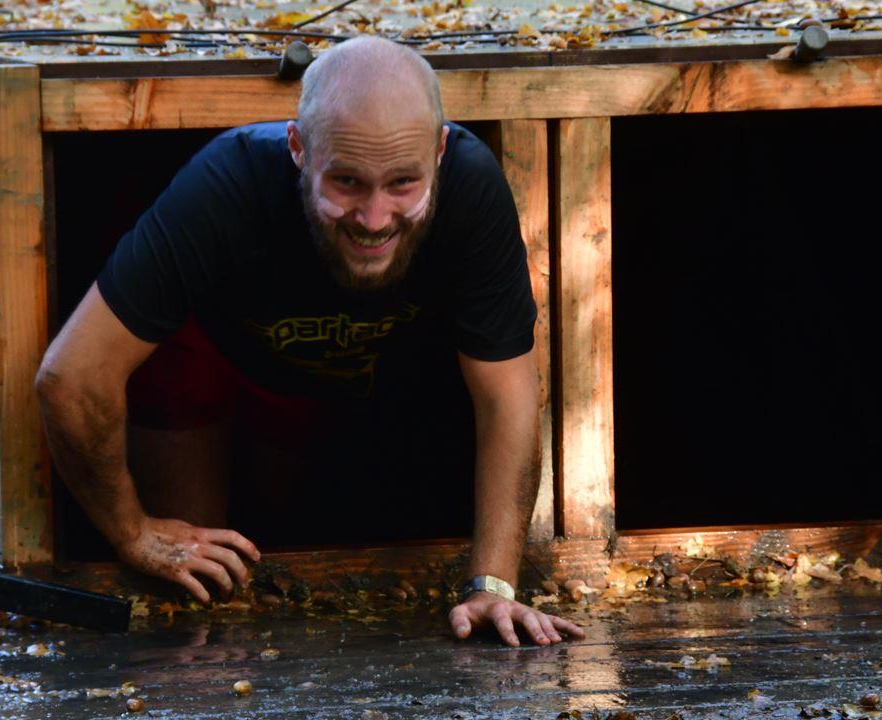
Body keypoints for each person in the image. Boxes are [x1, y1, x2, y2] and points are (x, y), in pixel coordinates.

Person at [35, 36, 584, 647]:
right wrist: (130, 532)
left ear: (439, 150)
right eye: (346, 182)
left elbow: (507, 396)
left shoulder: (472, 187)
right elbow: (71, 376)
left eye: (403, 183)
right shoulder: (226, 182)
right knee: (194, 592)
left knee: (314, 518)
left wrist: (493, 587)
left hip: (359, 380)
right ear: (298, 148)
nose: (374, 218)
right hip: (215, 360)